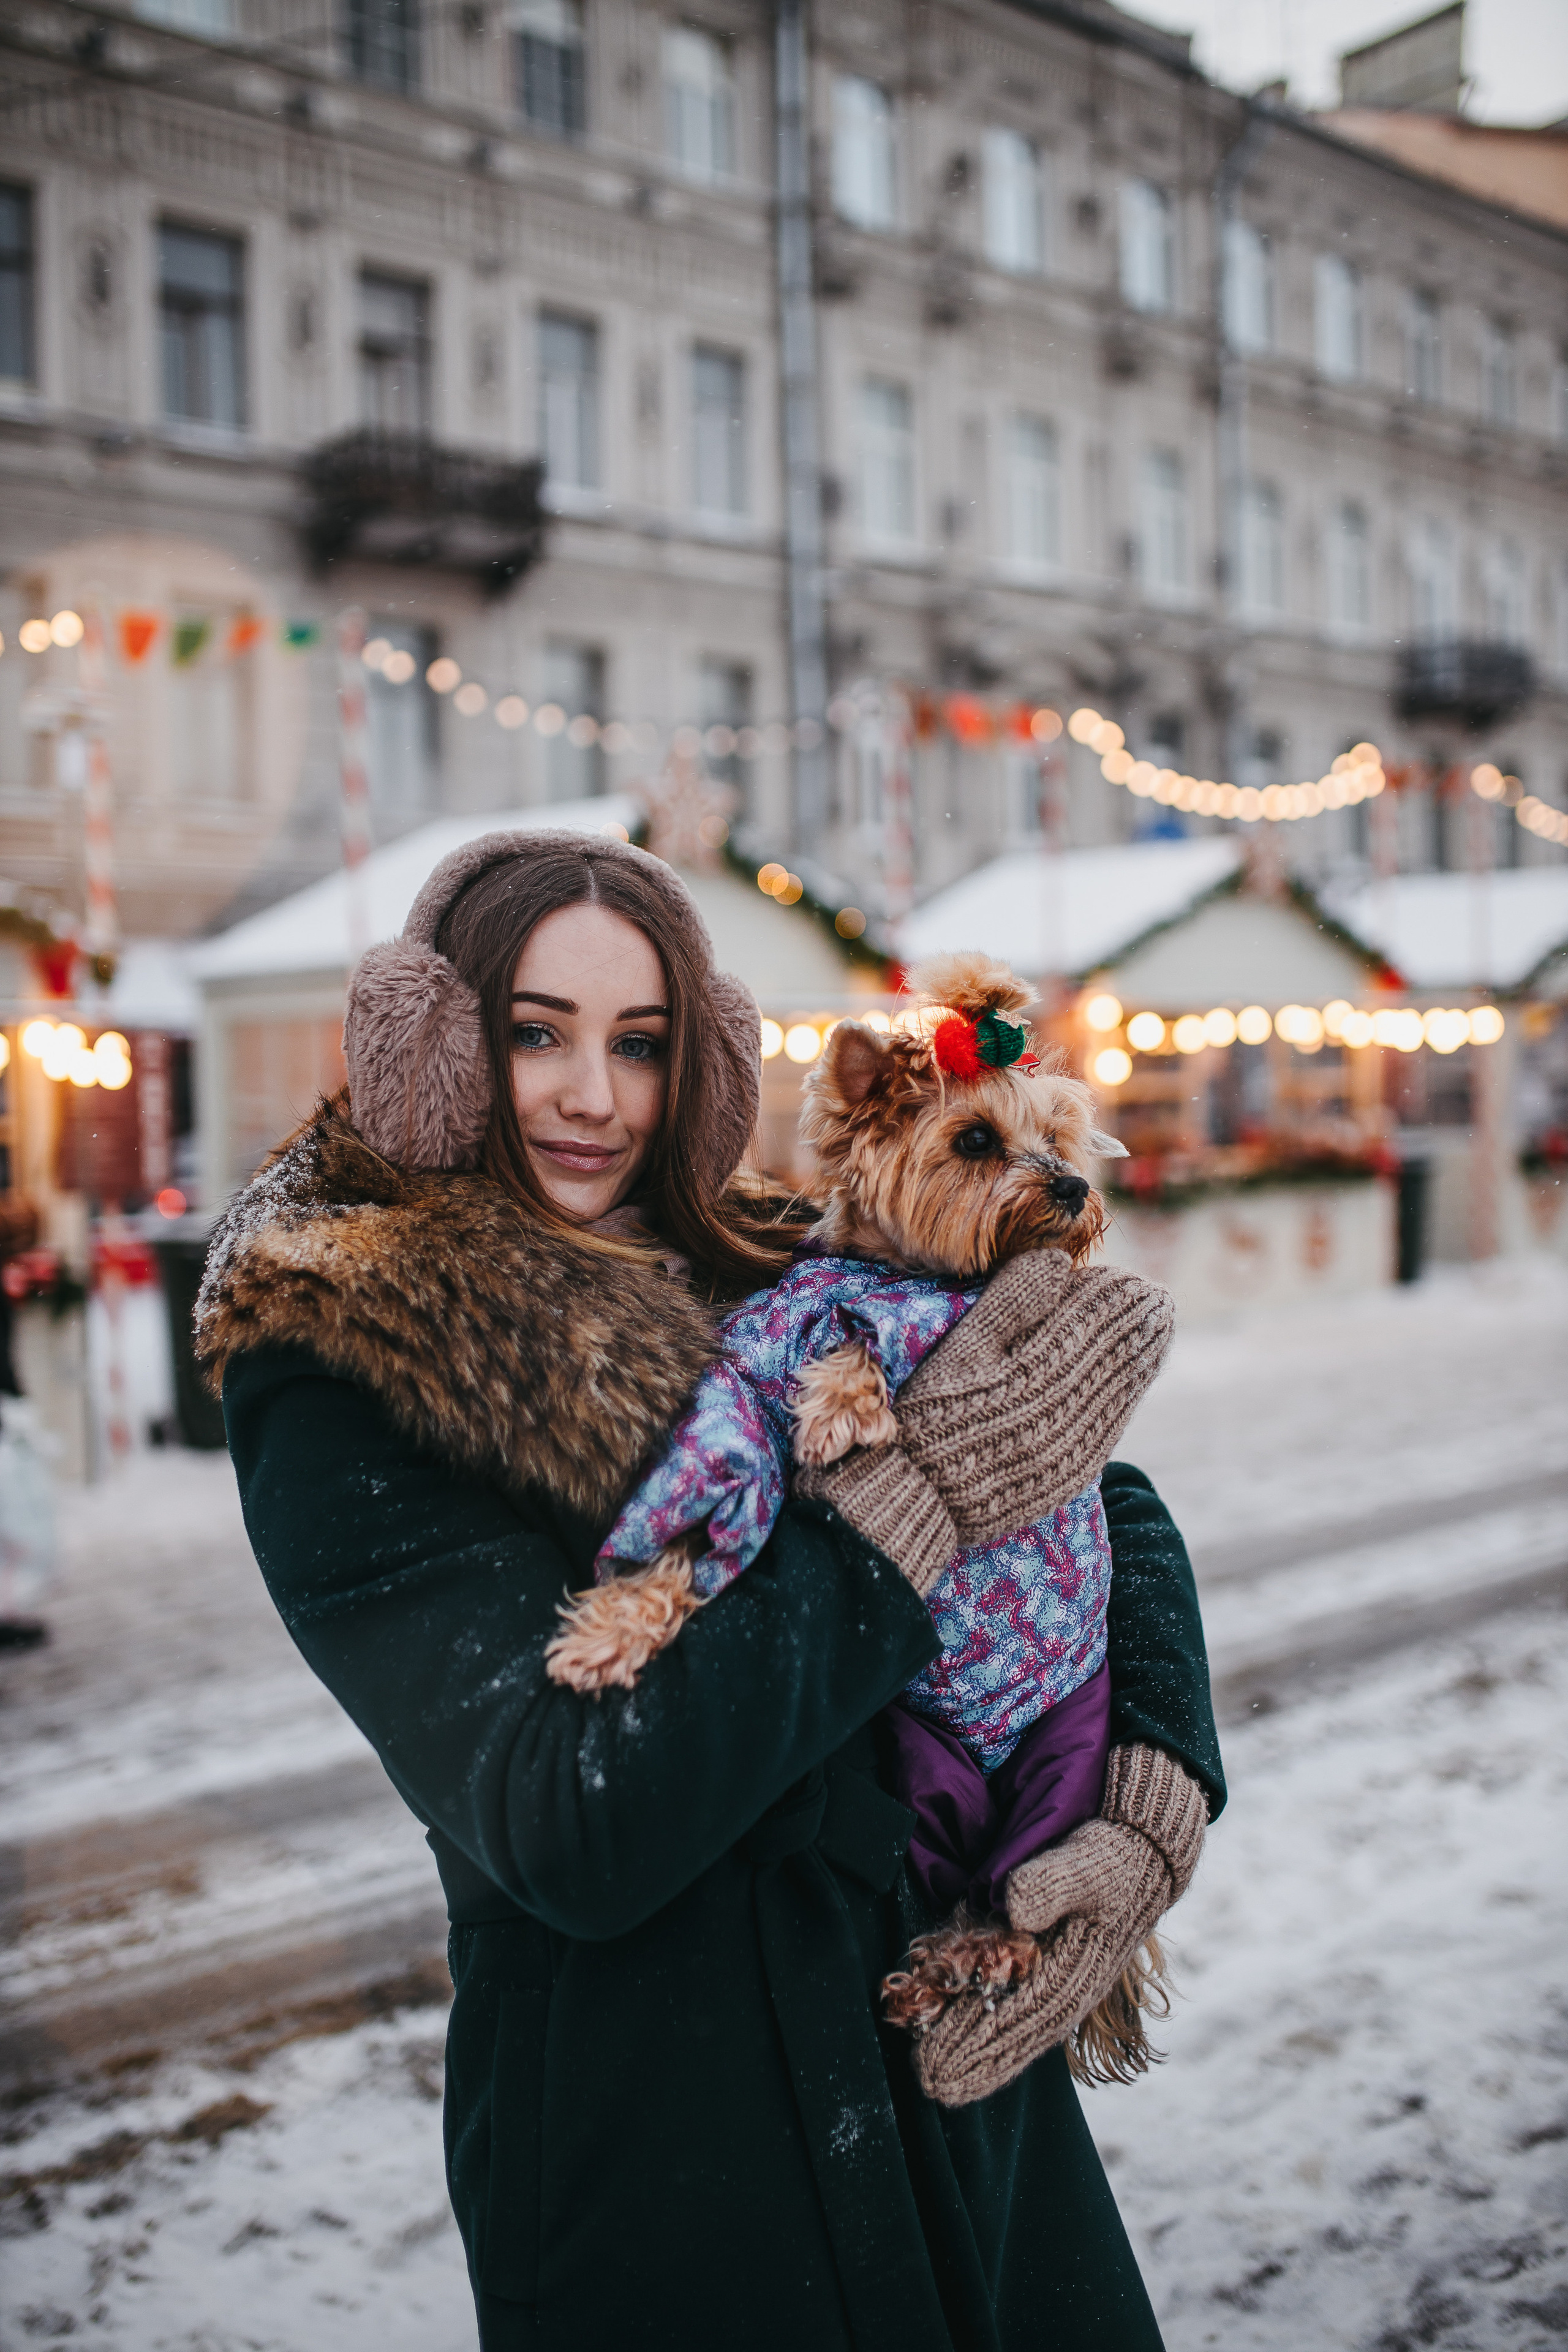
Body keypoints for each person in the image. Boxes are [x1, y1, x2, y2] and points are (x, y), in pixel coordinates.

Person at [199, 829, 1225, 2352]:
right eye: (533, 1031)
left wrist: (1154, 1771)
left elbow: (1092, 1495)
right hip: (677, 2151)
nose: (591, 1095)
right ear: (438, 1045)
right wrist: (908, 1505)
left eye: (643, 1043)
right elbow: (574, 1812)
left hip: (943, 2061)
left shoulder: (767, 1258)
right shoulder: (341, 1362)